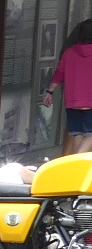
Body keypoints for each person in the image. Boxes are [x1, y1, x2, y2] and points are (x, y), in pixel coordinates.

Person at [43, 20, 92, 156]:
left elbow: (59, 73)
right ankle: (77, 157)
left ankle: (76, 164)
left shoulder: (69, 52)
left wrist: (50, 92)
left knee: (77, 134)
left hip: (72, 103)